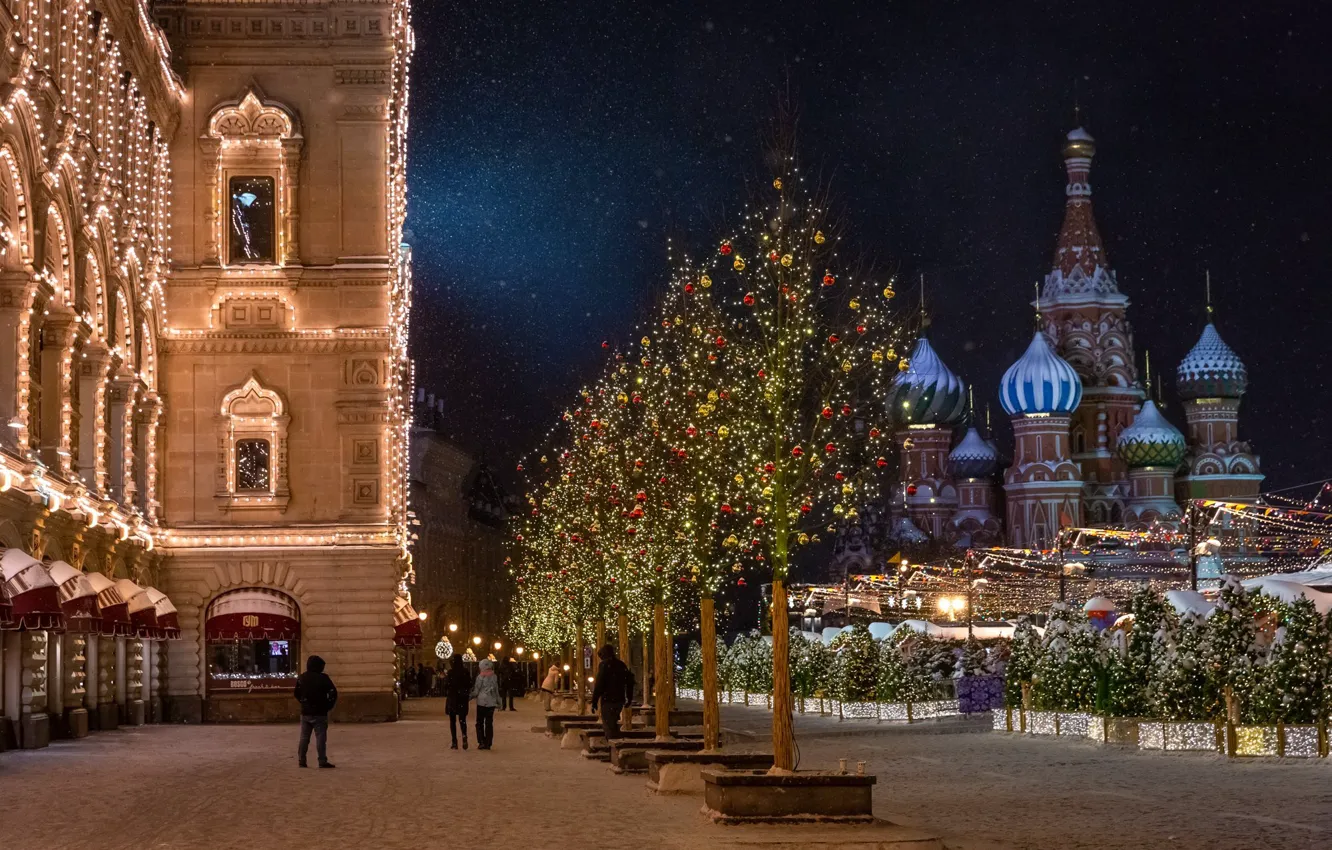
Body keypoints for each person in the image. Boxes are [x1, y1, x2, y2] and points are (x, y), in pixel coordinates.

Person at [294, 655, 337, 768]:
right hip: (320, 712)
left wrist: (304, 702)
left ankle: (301, 760)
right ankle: (322, 760)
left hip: (306, 712)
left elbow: (296, 693)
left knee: (304, 737)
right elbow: (333, 693)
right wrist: (328, 706)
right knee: (321, 738)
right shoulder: (323, 678)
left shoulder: (302, 677)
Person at [590, 644, 634, 740]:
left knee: (608, 725)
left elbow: (599, 684)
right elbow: (629, 682)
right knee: (613, 723)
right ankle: (615, 747)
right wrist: (629, 698)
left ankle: (613, 748)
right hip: (619, 700)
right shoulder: (621, 664)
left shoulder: (604, 665)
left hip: (608, 699)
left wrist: (594, 701)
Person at [470, 658, 502, 749]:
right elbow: (496, 690)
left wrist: (470, 696)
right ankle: (488, 742)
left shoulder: (480, 677)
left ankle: (481, 741)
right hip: (491, 703)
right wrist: (499, 702)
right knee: (489, 723)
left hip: (481, 702)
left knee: (479, 722)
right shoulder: (494, 676)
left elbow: (476, 691)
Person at [443, 654, 472, 749]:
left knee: (452, 721)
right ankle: (464, 735)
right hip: (462, 698)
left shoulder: (451, 672)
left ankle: (454, 741)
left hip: (453, 698)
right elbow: (469, 684)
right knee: (462, 719)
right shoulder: (465, 672)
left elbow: (446, 685)